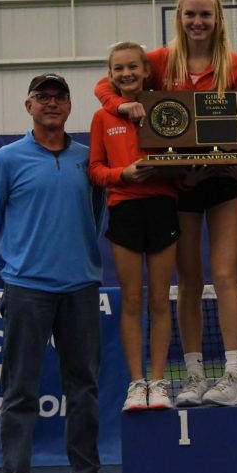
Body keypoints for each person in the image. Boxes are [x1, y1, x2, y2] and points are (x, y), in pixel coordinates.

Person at [94, 0, 237, 408]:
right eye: (190, 14)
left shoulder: (236, 65)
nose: (197, 21)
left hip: (220, 182)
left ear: (217, 18)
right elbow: (105, 84)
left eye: (205, 14)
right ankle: (195, 374)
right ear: (179, 18)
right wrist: (121, 106)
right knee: (190, 280)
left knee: (224, 274)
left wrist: (226, 163)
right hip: (179, 184)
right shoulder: (160, 61)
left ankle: (234, 374)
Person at [0, 73, 103, 473]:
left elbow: (95, 216)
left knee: (83, 389)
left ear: (69, 106)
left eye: (59, 97)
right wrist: (16, 270)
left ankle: (85, 472)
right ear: (28, 106)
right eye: (42, 97)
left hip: (81, 290)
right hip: (26, 291)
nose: (51, 103)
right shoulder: (4, 160)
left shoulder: (88, 158)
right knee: (20, 391)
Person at [88, 42, 179, 412]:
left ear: (146, 71)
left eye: (132, 68)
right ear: (110, 76)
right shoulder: (102, 118)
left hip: (162, 208)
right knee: (132, 300)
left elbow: (183, 155)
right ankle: (135, 382)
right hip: (124, 210)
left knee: (159, 300)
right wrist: (122, 174)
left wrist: (171, 169)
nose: (125, 74)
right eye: (118, 69)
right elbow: (95, 170)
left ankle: (158, 382)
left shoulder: (166, 108)